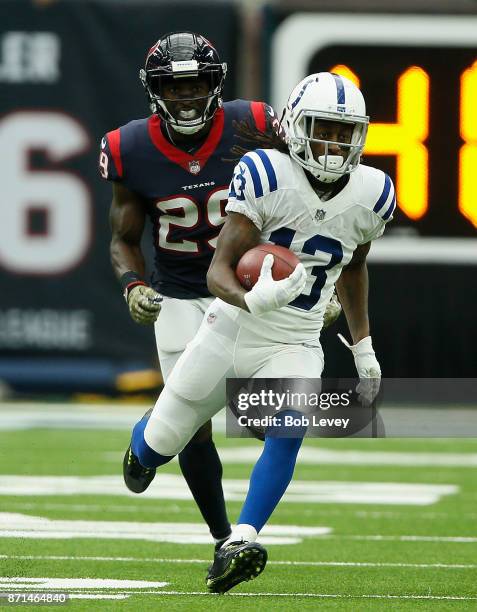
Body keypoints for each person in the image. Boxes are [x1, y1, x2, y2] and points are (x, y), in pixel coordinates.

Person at [126, 71, 395, 592]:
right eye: (322, 128)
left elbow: (356, 266)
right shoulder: (267, 174)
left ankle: (240, 540)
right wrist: (252, 297)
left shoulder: (373, 192)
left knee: (289, 425)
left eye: (345, 132)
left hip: (295, 338)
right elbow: (217, 272)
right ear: (295, 127)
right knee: (155, 450)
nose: (333, 143)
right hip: (230, 327)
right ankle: (144, 440)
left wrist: (363, 346)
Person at [100, 32, 342, 550]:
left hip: (252, 288)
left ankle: (234, 527)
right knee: (192, 427)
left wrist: (320, 284)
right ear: (153, 90)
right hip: (181, 293)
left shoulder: (253, 123)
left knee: (268, 418)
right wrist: (133, 284)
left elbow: (302, 197)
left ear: (217, 84)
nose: (187, 98)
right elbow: (123, 237)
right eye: (174, 87)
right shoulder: (130, 147)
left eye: (198, 85)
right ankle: (220, 533)